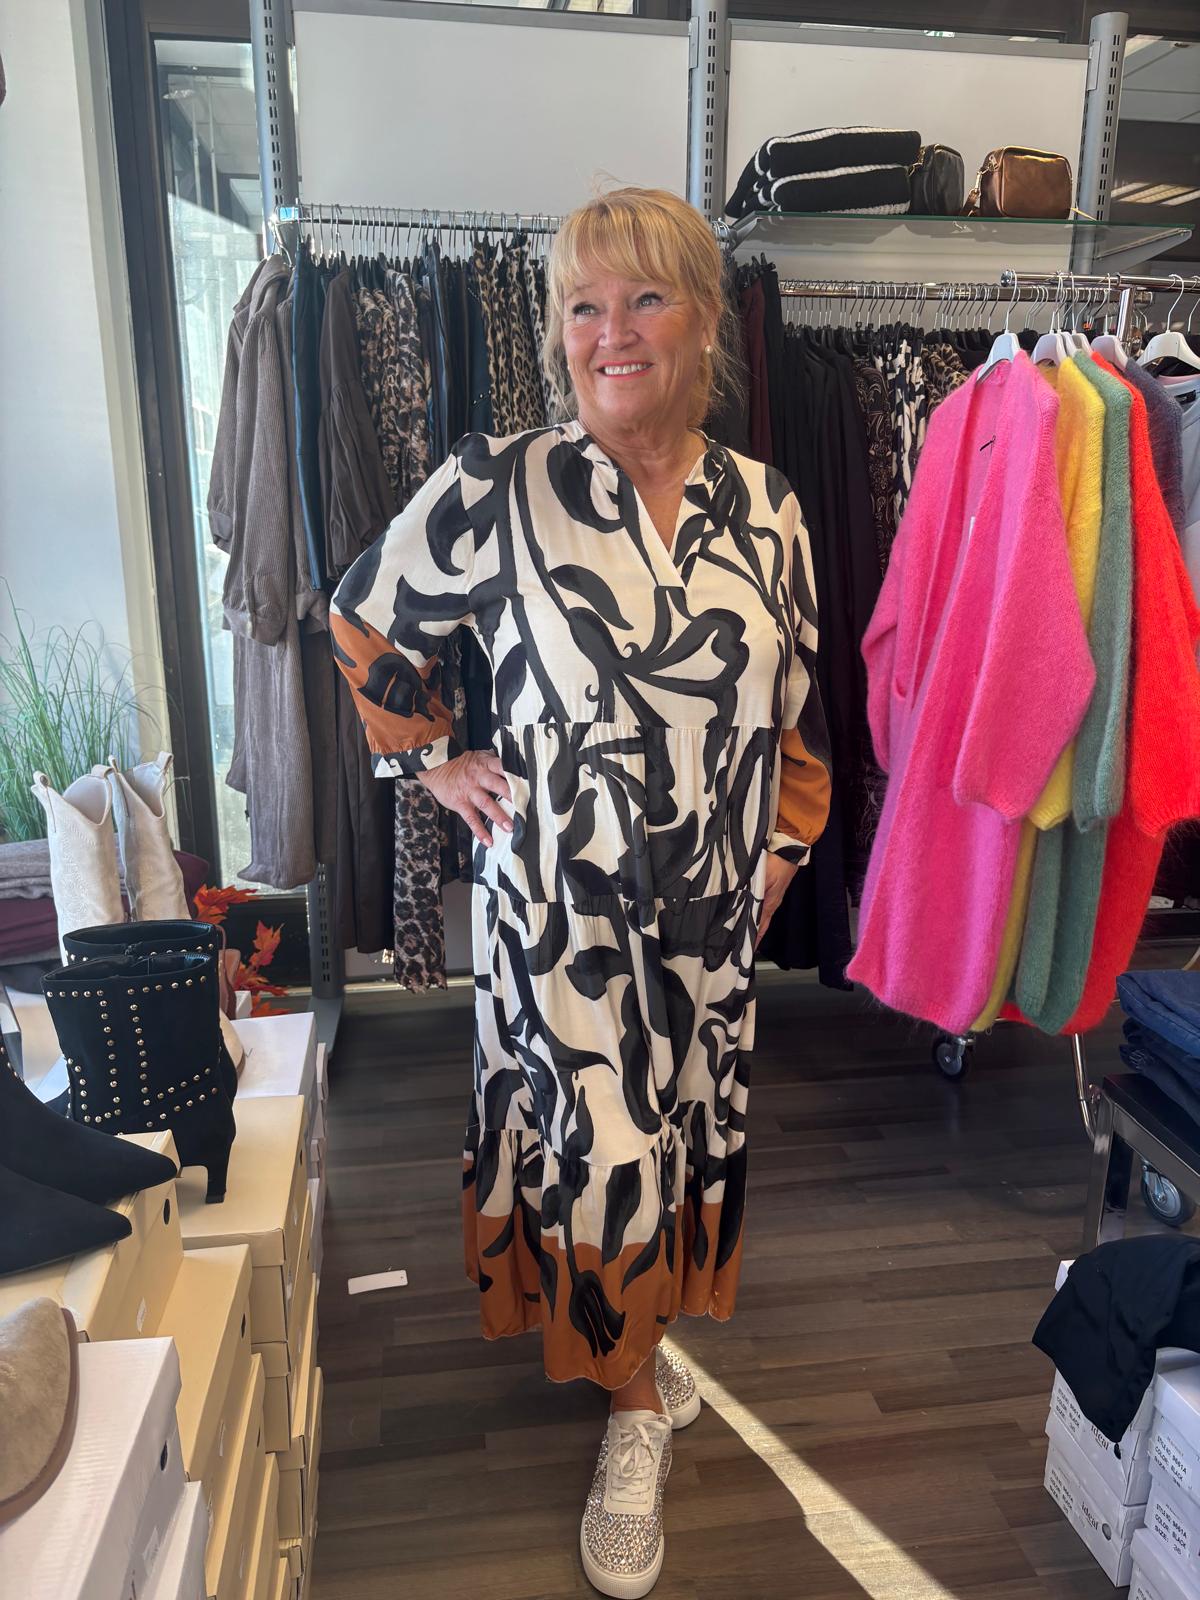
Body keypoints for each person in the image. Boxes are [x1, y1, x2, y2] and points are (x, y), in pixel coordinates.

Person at [330, 187, 831, 1597]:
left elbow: (797, 707)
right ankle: (631, 1408)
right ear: (557, 330)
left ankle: (642, 1344)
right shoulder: (502, 484)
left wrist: (785, 850)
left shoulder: (770, 509)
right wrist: (432, 760)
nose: (612, 333)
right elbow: (362, 616)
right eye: (583, 306)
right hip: (565, 925)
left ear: (706, 323)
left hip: (710, 928)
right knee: (603, 1152)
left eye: (645, 299)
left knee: (676, 1145)